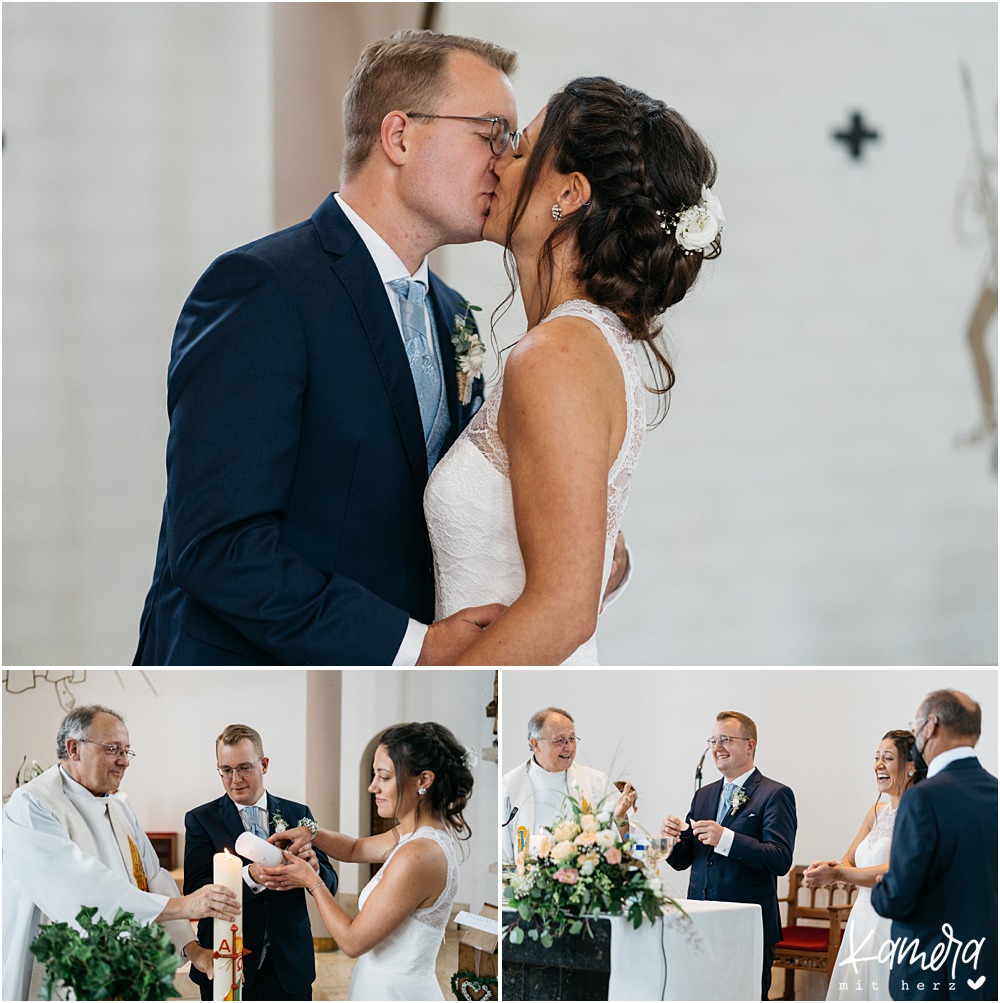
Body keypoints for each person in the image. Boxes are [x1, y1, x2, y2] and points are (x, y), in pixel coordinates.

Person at [133, 30, 520, 665]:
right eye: (491, 133)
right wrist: (411, 647)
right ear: (399, 136)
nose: (505, 163)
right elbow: (218, 545)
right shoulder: (262, 288)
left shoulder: (456, 319)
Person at [424, 76, 723, 664]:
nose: (500, 161)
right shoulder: (586, 341)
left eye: (521, 146)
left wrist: (443, 690)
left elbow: (563, 612)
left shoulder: (556, 356)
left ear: (568, 193)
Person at [2, 705, 240, 1002]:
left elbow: (153, 877)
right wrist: (183, 906)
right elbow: (78, 888)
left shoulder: (120, 808)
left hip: (123, 972)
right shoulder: (32, 805)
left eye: (128, 751)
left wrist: (192, 950)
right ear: (74, 748)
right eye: (113, 749)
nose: (124, 761)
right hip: (63, 971)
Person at [255, 722, 473, 1000]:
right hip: (379, 983)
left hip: (395, 992)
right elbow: (355, 848)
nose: (372, 787)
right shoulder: (415, 834)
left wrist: (311, 880)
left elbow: (351, 941)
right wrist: (310, 831)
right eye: (374, 776)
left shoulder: (418, 855)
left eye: (384, 777)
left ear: (424, 780)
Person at [183, 724, 338, 1000]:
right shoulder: (200, 820)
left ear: (264, 765)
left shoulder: (297, 813)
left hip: (290, 960)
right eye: (226, 770)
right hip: (228, 958)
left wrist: (313, 868)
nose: (235, 779)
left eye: (244, 767)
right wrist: (249, 876)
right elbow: (195, 888)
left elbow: (331, 882)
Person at [871, 690, 998, 1001]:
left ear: (932, 725)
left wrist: (881, 888)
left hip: (930, 964)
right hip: (984, 962)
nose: (915, 734)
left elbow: (898, 896)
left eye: (916, 726)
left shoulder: (923, 797)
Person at [661, 711, 796, 1000]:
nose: (717, 747)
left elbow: (780, 858)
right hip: (699, 923)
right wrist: (672, 839)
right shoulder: (704, 795)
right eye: (713, 740)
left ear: (750, 745)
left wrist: (727, 839)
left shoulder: (775, 794)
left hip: (745, 927)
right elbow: (685, 859)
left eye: (726, 739)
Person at [803, 730, 920, 1001]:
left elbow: (892, 871)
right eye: (876, 757)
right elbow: (849, 859)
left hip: (891, 921)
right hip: (862, 918)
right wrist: (829, 867)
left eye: (888, 758)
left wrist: (839, 873)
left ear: (911, 767)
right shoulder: (875, 813)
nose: (878, 765)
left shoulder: (916, 814)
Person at [501, 706, 635, 864]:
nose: (569, 747)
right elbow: (503, 858)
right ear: (535, 744)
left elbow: (627, 843)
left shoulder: (595, 782)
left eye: (572, 739)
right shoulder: (510, 785)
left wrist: (620, 817)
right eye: (560, 741)